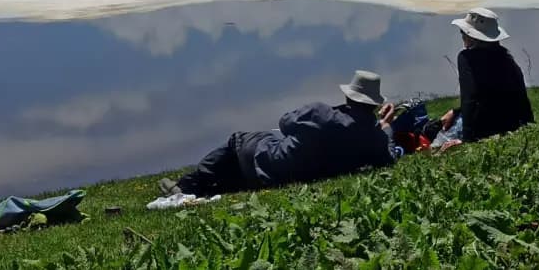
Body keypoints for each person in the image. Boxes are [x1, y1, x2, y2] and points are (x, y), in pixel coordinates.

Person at [159, 70, 398, 197]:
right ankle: (207, 186)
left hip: (273, 166)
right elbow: (388, 154)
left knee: (238, 140)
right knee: (254, 153)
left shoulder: (319, 113)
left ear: (348, 96)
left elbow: (285, 123)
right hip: (296, 175)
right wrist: (385, 126)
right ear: (374, 105)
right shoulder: (373, 138)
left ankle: (188, 185)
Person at [438, 8, 534, 149]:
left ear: (471, 37)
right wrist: (456, 111)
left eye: (463, 33)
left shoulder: (466, 58)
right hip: (511, 126)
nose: (462, 36)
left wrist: (466, 140)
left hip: (484, 131)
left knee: (434, 136)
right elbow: (495, 99)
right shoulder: (508, 60)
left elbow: (470, 99)